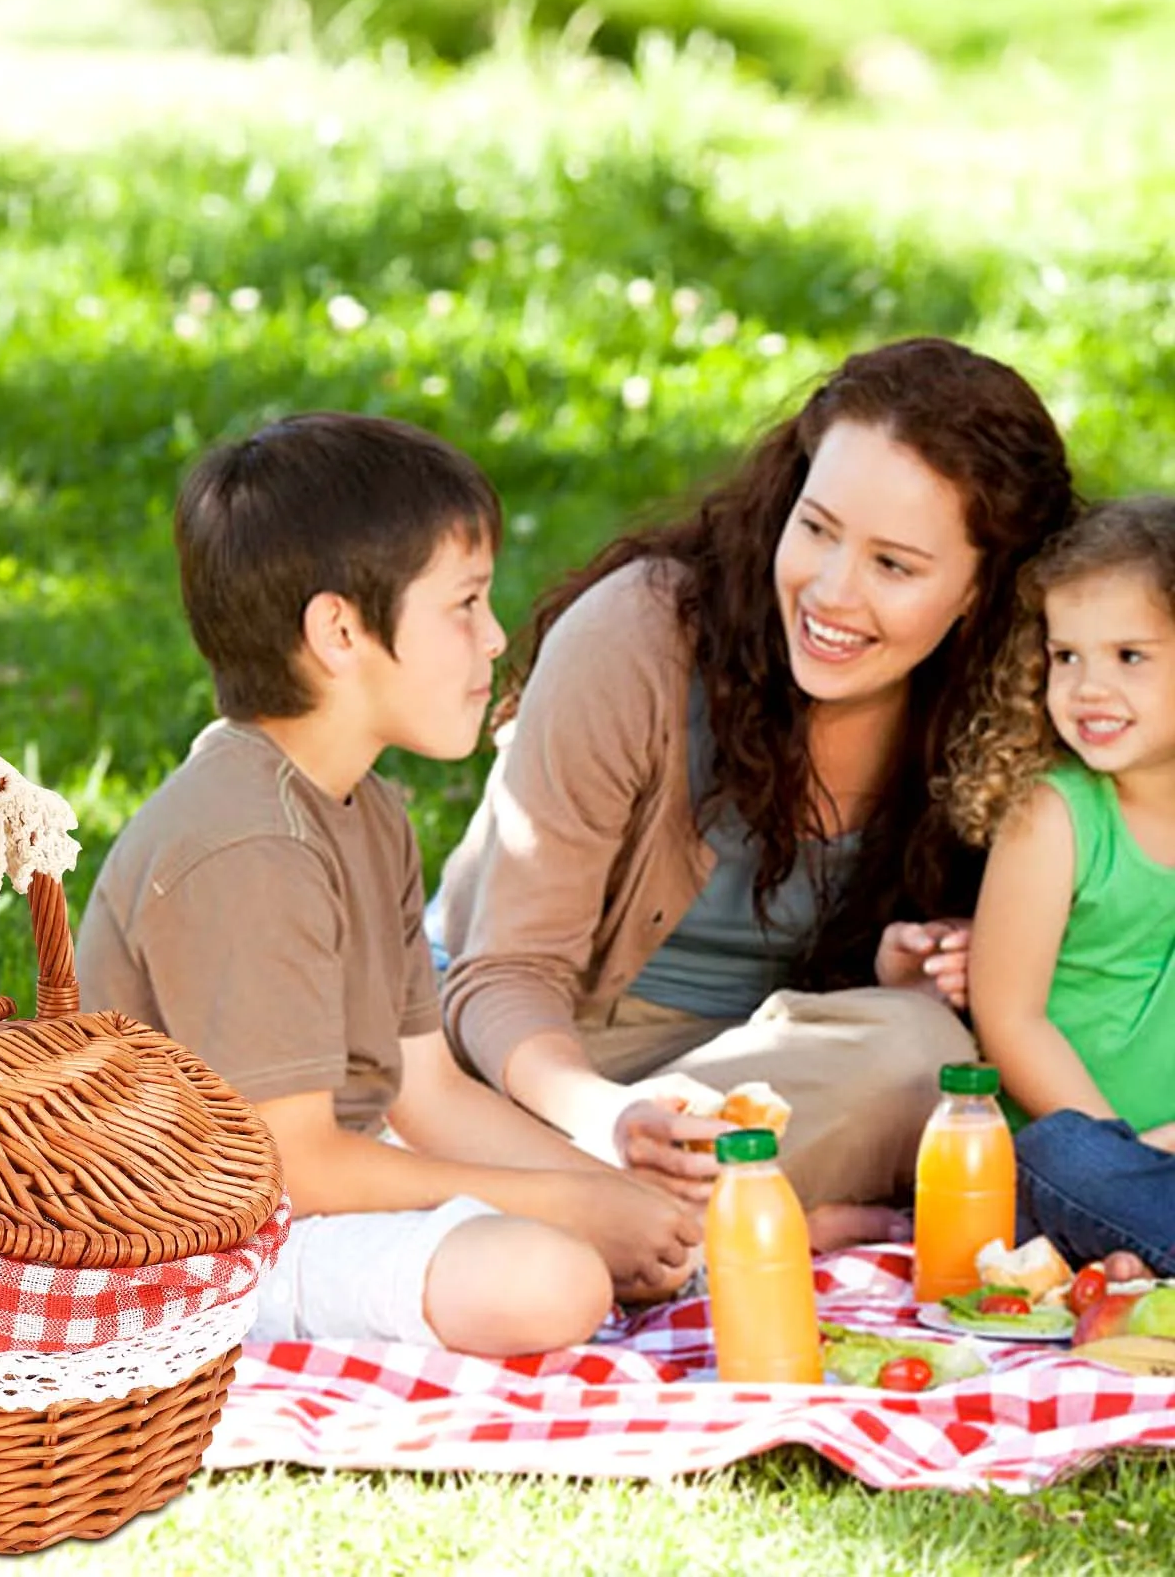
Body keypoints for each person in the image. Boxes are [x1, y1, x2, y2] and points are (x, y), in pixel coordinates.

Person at [75, 412, 703, 1356]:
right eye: (465, 604)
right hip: (193, 1242)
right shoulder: (248, 845)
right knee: (552, 1277)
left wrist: (608, 1191)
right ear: (339, 630)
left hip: (309, 1189)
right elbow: (292, 1165)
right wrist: (569, 1207)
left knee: (616, 1225)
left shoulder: (366, 812)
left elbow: (428, 1087)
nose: (495, 639)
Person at [432, 338, 1077, 1242]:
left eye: (894, 565)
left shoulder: (1014, 709)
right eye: (815, 529)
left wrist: (922, 968)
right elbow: (499, 975)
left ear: (983, 588)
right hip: (542, 1057)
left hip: (762, 1085)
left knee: (925, 1051)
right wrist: (606, 1119)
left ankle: (623, 1221)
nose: (831, 593)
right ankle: (732, 1221)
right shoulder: (639, 638)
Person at [947, 497, 1175, 1277]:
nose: (1086, 688)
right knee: (1066, 1157)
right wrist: (1122, 1153)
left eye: (1129, 657)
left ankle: (1145, 1241)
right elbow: (1010, 1018)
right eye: (1066, 656)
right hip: (1061, 1160)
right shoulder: (1055, 815)